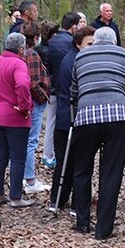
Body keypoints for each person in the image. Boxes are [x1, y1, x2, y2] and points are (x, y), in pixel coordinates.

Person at [70, 25, 125, 238]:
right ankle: (103, 229)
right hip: (117, 117)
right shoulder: (124, 55)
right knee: (111, 173)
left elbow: (74, 91)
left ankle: (82, 222)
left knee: (82, 170)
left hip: (86, 118)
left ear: (95, 40)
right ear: (114, 41)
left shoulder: (81, 57)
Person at [0, 33, 36, 208]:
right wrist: (25, 106)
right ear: (21, 49)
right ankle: (16, 197)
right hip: (15, 117)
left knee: (0, 156)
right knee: (17, 158)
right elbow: (22, 84)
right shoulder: (19, 64)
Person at [48, 24, 95, 214]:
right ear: (78, 44)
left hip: (70, 116)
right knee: (71, 161)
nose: (92, 47)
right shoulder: (75, 61)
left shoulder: (77, 58)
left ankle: (63, 200)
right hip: (70, 118)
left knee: (70, 161)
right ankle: (66, 201)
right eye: (89, 44)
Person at [42, 13, 83, 171]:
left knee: (51, 122)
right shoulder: (70, 44)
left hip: (53, 86)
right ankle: (51, 155)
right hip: (63, 89)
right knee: (58, 123)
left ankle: (48, 154)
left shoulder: (53, 41)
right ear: (74, 27)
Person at [17, 22, 51, 195]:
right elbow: (33, 83)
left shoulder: (23, 54)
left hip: (28, 102)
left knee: (24, 141)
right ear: (36, 37)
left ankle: (22, 177)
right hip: (34, 103)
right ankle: (29, 179)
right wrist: (43, 97)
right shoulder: (31, 55)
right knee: (31, 141)